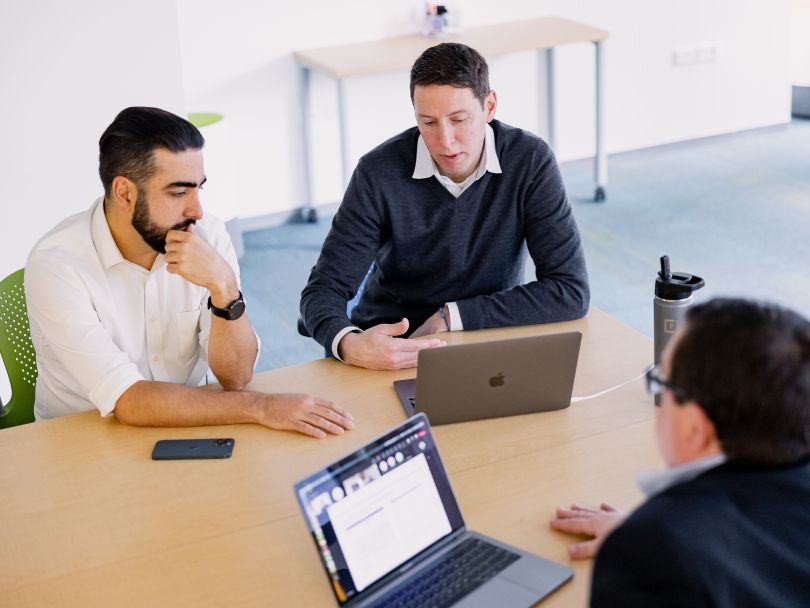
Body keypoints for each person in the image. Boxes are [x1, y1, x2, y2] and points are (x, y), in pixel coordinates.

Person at [25, 107, 353, 438]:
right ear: (125, 193)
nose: (196, 210)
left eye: (199, 189)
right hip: (82, 439)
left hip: (189, 422)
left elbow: (236, 377)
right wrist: (262, 407)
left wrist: (224, 287)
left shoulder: (207, 234)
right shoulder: (57, 264)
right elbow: (129, 399)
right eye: (179, 192)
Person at [300, 43, 589, 370]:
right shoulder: (378, 172)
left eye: (459, 119)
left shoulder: (530, 161)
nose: (446, 141)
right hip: (391, 346)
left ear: (489, 106)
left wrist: (449, 316)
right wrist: (349, 343)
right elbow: (322, 291)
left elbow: (570, 290)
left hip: (483, 335)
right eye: (429, 123)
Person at [550, 298, 810, 606]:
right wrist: (670, 527)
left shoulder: (650, 556)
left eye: (663, 382)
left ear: (695, 427)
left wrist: (653, 538)